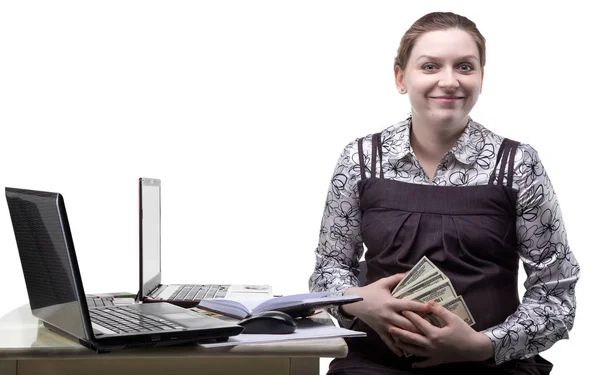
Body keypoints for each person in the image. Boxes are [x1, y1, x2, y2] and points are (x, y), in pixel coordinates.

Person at [308, 11, 579, 375]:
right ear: (400, 77)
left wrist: (483, 346)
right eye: (431, 66)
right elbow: (329, 269)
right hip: (375, 365)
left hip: (492, 366)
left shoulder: (518, 164)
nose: (449, 81)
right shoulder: (360, 159)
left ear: (482, 77)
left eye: (465, 67)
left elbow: (555, 294)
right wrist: (357, 300)